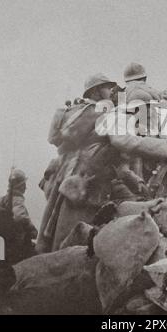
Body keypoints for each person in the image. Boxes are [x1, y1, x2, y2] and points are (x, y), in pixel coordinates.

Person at [36, 73, 117, 253]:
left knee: (55, 226)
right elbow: (73, 137)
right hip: (82, 178)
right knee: (72, 232)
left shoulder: (77, 110)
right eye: (107, 87)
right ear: (96, 91)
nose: (111, 91)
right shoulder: (96, 110)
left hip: (67, 174)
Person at [0, 169, 37, 263]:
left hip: (6, 245)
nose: (25, 187)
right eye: (24, 184)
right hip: (19, 244)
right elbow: (19, 216)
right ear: (21, 185)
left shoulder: (3, 199)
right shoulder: (17, 199)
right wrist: (32, 229)